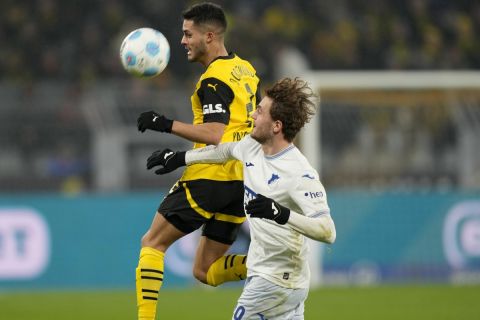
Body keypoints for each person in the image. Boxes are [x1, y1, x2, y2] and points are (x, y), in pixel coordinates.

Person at [147, 77, 336, 319]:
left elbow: (327, 231)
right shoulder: (252, 147)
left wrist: (280, 213)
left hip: (275, 282)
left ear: (276, 126)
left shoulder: (299, 173)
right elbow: (224, 151)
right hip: (273, 278)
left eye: (260, 111)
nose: (253, 116)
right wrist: (180, 158)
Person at [135, 2, 260, 320]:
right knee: (204, 270)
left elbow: (216, 133)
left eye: (188, 34)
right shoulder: (246, 70)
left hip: (210, 175)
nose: (182, 41)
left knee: (152, 243)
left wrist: (165, 124)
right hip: (241, 182)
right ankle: (272, 264)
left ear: (209, 36)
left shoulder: (214, 80)